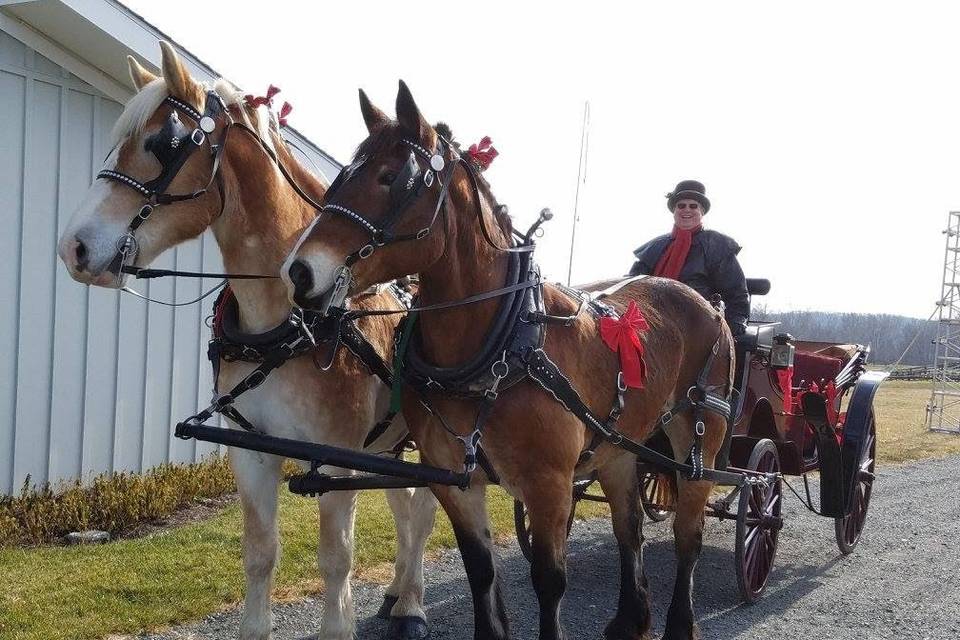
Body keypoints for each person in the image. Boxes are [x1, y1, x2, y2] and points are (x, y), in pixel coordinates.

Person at [629, 180, 749, 336]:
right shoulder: (655, 247)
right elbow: (632, 286)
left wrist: (735, 323)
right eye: (681, 205)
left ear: (702, 211)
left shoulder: (716, 246)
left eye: (693, 206)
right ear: (674, 210)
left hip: (697, 327)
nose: (687, 210)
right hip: (651, 322)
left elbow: (736, 292)